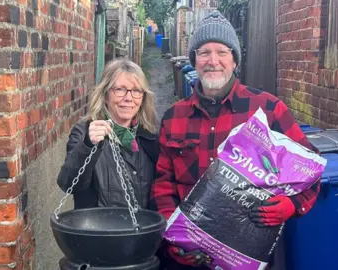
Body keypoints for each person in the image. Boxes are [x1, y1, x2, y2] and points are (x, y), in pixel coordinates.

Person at [150, 11, 321, 269]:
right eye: (204, 52)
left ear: (234, 60)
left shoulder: (268, 109)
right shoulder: (175, 117)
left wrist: (291, 205)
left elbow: (310, 171)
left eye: (222, 52)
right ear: (194, 60)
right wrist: (172, 238)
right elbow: (164, 183)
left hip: (245, 253)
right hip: (188, 255)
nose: (213, 61)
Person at [57, 58, 159, 211]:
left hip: (143, 232)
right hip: (101, 232)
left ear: (143, 97)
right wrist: (87, 145)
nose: (129, 98)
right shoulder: (86, 133)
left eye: (136, 91)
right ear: (105, 95)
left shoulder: (149, 136)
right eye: (120, 89)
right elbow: (68, 184)